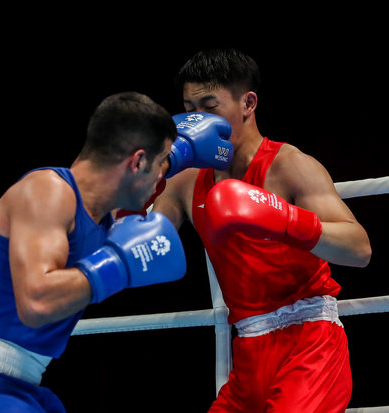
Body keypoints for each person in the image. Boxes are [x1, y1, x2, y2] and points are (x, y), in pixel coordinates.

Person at [0, 91, 198, 413]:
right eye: (162, 163)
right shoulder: (48, 192)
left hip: (20, 388)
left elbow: (149, 226)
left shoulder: (104, 217)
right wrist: (116, 265)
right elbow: (36, 302)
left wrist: (178, 155)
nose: (163, 174)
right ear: (137, 162)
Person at [152, 48, 372, 412]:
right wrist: (147, 179)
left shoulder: (289, 166)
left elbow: (359, 248)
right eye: (189, 111)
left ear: (248, 103)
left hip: (311, 344)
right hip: (248, 357)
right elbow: (146, 248)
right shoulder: (184, 182)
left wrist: (285, 220)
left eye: (209, 106)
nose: (196, 121)